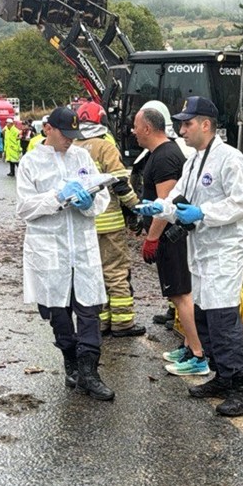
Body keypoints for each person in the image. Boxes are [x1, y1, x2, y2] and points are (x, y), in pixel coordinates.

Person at [135, 96, 243, 417]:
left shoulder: (230, 159)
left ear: (206, 124)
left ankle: (242, 389)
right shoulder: (193, 161)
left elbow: (241, 204)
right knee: (202, 317)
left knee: (223, 321)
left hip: (222, 252)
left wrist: (204, 212)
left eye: (188, 123)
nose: (182, 129)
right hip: (200, 252)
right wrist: (158, 208)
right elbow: (177, 198)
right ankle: (221, 376)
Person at [16, 106, 115, 401]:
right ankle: (70, 360)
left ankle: (89, 371)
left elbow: (102, 197)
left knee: (89, 309)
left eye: (75, 135)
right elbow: (24, 208)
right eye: (65, 135)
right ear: (49, 129)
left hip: (81, 248)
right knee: (58, 311)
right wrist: (56, 197)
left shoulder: (82, 157)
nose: (70, 141)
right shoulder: (31, 162)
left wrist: (88, 202)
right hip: (50, 248)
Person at [132, 106, 206, 374]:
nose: (133, 131)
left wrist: (151, 238)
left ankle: (198, 355)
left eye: (136, 126)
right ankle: (189, 346)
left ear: (148, 129)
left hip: (170, 237)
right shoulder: (162, 153)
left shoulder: (164, 159)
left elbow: (165, 203)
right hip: (171, 235)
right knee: (182, 293)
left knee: (180, 294)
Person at [74, 101, 144, 338]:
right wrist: (136, 208)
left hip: (84, 224)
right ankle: (123, 323)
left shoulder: (72, 147)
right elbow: (120, 183)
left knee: (96, 272)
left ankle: (101, 322)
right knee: (116, 271)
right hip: (110, 222)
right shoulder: (105, 147)